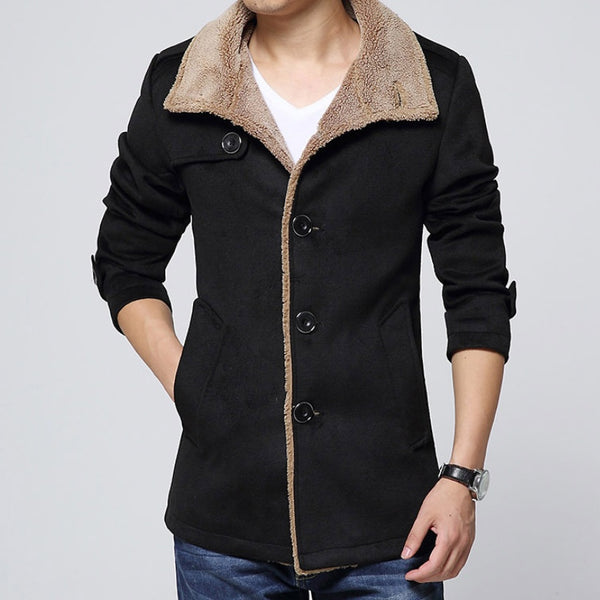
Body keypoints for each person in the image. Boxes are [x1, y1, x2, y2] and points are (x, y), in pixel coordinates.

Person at [91, 0, 517, 597]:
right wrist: (192, 385)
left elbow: (477, 290)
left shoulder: (428, 84)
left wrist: (462, 476)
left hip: (389, 517)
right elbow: (125, 259)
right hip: (226, 514)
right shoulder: (183, 84)